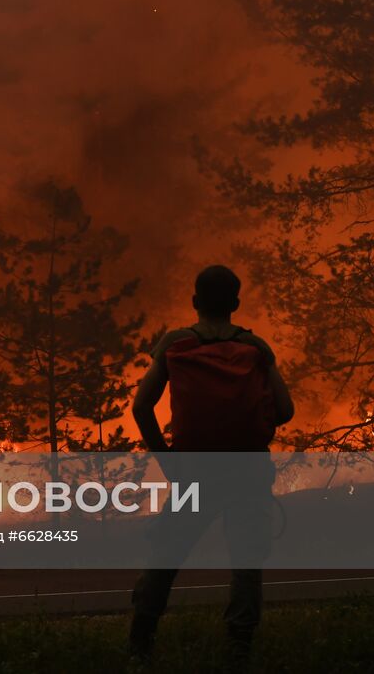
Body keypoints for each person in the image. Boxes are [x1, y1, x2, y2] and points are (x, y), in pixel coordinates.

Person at [127, 264, 294, 665]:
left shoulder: (176, 343)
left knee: (167, 554)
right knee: (246, 562)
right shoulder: (256, 348)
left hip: (195, 473)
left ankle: (140, 643)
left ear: (195, 302)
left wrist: (167, 460)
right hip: (249, 473)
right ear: (236, 304)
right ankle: (239, 646)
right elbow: (286, 410)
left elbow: (141, 406)